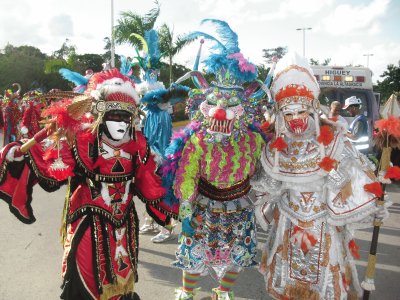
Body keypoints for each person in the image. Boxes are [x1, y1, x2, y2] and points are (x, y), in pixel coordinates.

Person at [0, 69, 177, 299]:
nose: (121, 123)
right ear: (100, 114)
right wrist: (19, 155)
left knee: (122, 279)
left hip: (124, 225)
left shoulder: (139, 145)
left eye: (126, 117)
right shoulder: (81, 141)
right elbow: (49, 163)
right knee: (88, 279)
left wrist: (178, 191)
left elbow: (150, 183)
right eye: (114, 116)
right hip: (88, 221)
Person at [252, 52, 389, 299]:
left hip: (323, 223)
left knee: (326, 285)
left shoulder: (334, 141)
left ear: (313, 110)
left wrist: (373, 206)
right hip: (288, 223)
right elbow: (268, 188)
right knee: (287, 284)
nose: (296, 119)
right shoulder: (274, 148)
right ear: (281, 116)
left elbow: (355, 182)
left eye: (301, 112)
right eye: (289, 114)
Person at [166, 19, 266, 300]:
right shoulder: (197, 140)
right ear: (203, 105)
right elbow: (186, 175)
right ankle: (187, 292)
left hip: (240, 207)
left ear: (245, 108)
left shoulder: (254, 141)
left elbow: (264, 173)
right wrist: (185, 212)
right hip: (204, 207)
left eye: (230, 104)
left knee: (237, 255)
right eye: (215, 103)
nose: (220, 112)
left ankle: (223, 292)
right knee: (193, 253)